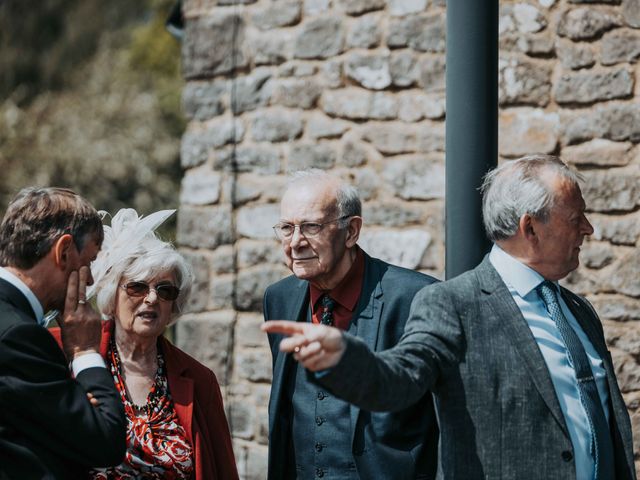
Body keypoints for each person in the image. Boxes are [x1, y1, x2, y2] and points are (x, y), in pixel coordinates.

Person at [264, 155, 636, 480]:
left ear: (352, 230)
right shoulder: (453, 303)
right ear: (530, 227)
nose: (587, 228)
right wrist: (345, 358)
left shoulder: (579, 312)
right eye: (576, 218)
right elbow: (397, 378)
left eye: (310, 226)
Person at [264, 169, 439, 479]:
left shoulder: (417, 298)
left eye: (311, 226)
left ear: (351, 231)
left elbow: (445, 419)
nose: (295, 242)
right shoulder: (278, 298)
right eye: (286, 228)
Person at [50, 208, 239, 479]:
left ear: (174, 303)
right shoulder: (62, 351)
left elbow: (222, 470)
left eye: (165, 291)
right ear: (110, 294)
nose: (151, 299)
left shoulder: (200, 380)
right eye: (137, 287)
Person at [0, 187, 126, 479]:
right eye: (90, 260)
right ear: (64, 250)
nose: (92, 277)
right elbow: (104, 439)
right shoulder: (18, 337)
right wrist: (85, 352)